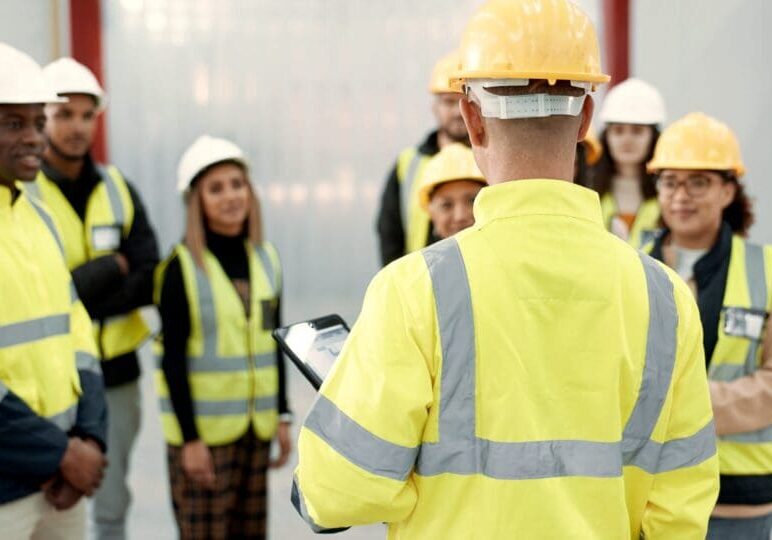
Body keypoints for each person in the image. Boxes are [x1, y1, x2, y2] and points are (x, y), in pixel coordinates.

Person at [292, 1, 719, 538]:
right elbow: (681, 510)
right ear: (587, 120)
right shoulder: (666, 299)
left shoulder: (414, 291)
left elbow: (337, 491)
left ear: (471, 118)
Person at [27, 57, 159, 540]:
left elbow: (148, 275)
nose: (78, 126)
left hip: (118, 372)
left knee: (110, 499)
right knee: (42, 501)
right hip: (51, 373)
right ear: (43, 116)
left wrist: (78, 290)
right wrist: (111, 266)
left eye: (87, 115)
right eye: (65, 114)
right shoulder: (25, 192)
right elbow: (39, 293)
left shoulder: (119, 189)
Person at [154, 135, 292, 539]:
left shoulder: (266, 259)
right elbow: (172, 362)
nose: (230, 196)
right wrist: (191, 441)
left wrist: (282, 415)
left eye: (237, 184)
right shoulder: (180, 269)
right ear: (196, 201)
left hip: (255, 431)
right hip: (205, 440)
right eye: (216, 188)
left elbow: (275, 343)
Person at [644, 112, 772, 539]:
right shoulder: (624, 262)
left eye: (698, 182)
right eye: (669, 182)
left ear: (727, 190)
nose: (681, 196)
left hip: (742, 503)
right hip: (648, 492)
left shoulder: (766, 270)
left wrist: (689, 405)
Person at [0, 43, 107, 539]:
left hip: (64, 480)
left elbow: (77, 333)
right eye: (12, 124)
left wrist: (90, 436)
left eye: (37, 123)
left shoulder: (38, 217)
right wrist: (61, 453)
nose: (33, 139)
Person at [376, 50, 469, 266]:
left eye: (464, 101)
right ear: (434, 107)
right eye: (448, 102)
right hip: (420, 284)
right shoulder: (408, 164)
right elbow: (389, 231)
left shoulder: (494, 161)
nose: (457, 112)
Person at [590, 78, 666, 246]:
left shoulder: (669, 192)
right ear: (606, 136)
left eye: (637, 131)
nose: (627, 140)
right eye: (618, 131)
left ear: (653, 137)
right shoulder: (587, 189)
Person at [415, 143, 486, 241]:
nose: (460, 216)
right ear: (431, 213)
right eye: (446, 205)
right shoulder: (422, 257)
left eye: (473, 201)